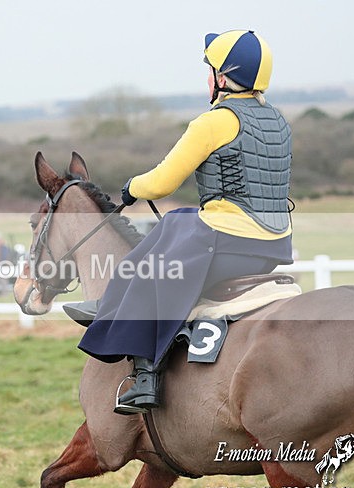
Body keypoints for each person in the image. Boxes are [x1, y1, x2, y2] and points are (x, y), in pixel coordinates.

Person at [64, 30, 294, 415]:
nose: (208, 77)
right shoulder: (277, 121)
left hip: (229, 239)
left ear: (223, 77)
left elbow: (164, 182)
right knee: (179, 221)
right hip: (275, 244)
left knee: (150, 268)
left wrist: (132, 187)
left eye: (211, 70)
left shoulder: (213, 122)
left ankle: (145, 377)